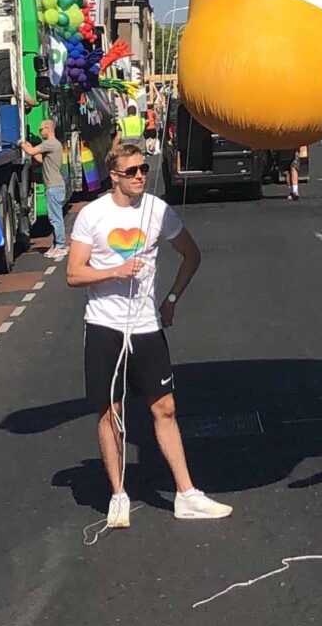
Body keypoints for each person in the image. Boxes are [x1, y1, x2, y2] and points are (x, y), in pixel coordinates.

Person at [67, 137, 230, 528]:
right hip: (104, 326)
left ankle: (187, 493)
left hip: (146, 327)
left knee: (166, 408)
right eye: (132, 172)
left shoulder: (158, 210)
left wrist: (171, 298)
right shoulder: (93, 215)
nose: (141, 176)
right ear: (114, 177)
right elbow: (74, 273)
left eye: (143, 169)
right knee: (111, 412)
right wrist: (114, 272)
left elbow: (192, 254)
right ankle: (119, 495)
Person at [23, 116, 70, 257]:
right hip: (54, 185)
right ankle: (56, 245)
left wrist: (22, 143)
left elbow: (31, 152)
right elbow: (39, 159)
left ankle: (61, 245)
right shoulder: (53, 146)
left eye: (41, 129)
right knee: (54, 217)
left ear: (48, 129)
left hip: (54, 186)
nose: (39, 132)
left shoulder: (50, 143)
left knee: (55, 218)